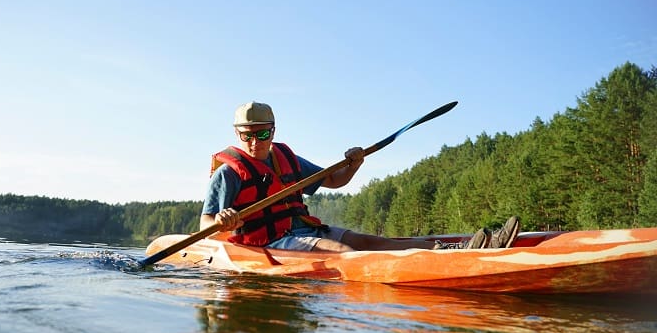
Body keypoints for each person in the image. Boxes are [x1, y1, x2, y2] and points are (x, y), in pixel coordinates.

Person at [200, 101, 520, 252]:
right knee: (345, 253)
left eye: (263, 133)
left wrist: (353, 164)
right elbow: (205, 227)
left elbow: (335, 181)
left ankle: (457, 249)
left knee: (368, 241)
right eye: (247, 136)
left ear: (274, 130)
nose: (255, 142)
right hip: (268, 241)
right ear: (238, 135)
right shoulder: (229, 172)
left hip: (302, 229)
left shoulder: (287, 159)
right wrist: (224, 221)